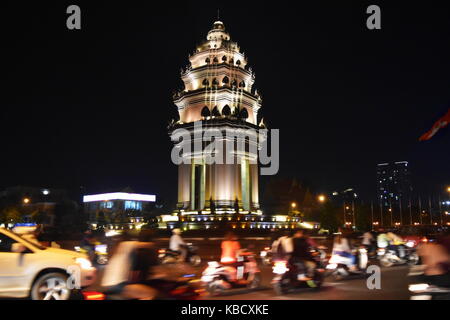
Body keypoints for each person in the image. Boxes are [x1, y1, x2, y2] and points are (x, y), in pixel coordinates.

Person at [101, 229, 159, 300]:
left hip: (110, 284)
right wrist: (155, 245)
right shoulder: (126, 245)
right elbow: (147, 245)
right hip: (118, 285)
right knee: (150, 293)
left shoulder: (118, 251)